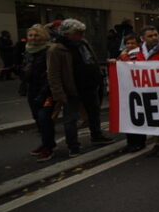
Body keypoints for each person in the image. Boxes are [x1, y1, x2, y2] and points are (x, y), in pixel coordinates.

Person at [47, 19, 113, 156]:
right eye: (78, 33)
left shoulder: (83, 43)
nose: (82, 35)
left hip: (90, 86)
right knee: (71, 119)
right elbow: (54, 74)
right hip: (72, 89)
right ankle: (73, 145)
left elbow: (91, 60)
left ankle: (97, 136)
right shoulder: (56, 49)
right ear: (67, 33)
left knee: (94, 113)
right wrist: (59, 93)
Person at [21, 24, 57, 162]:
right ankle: (45, 143)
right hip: (32, 89)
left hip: (47, 90)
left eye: (36, 35)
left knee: (44, 118)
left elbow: (52, 73)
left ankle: (49, 148)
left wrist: (45, 90)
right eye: (31, 35)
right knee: (37, 117)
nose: (33, 38)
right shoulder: (28, 51)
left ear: (43, 36)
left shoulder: (49, 51)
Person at [133, 26, 159, 156]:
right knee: (152, 116)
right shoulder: (139, 52)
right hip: (147, 89)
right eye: (150, 36)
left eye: (156, 34)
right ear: (142, 39)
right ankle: (157, 143)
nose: (154, 37)